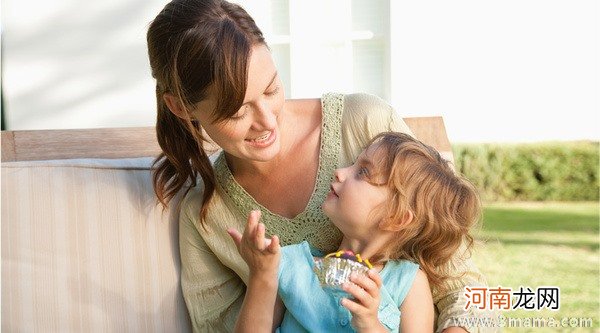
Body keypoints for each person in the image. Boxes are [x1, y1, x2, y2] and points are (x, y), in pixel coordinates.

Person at [146, 0, 489, 331]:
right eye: (237, 111)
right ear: (180, 107)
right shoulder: (206, 215)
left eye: (271, 89)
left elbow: (464, 291)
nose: (267, 121)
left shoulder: (365, 126)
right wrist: (263, 278)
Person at [227, 132, 481, 332]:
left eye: (362, 172)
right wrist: (261, 276)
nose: (340, 171)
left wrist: (371, 325)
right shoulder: (290, 264)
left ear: (395, 218)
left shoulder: (409, 283)